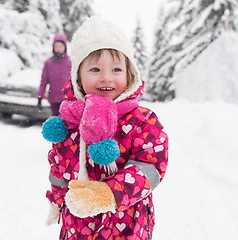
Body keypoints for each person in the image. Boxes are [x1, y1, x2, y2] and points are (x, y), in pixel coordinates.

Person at [41, 16, 169, 240]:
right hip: (78, 227)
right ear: (78, 78)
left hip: (128, 224)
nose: (106, 78)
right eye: (95, 69)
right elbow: (59, 169)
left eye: (117, 69)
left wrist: (108, 194)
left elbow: (150, 167)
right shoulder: (70, 124)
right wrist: (57, 199)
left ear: (130, 75)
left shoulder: (142, 120)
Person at [38, 33, 71, 116]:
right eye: (56, 46)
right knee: (56, 122)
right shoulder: (48, 63)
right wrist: (40, 96)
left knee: (68, 123)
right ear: (53, 47)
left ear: (65, 47)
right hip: (54, 99)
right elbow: (44, 81)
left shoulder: (70, 62)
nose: (58, 49)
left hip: (68, 99)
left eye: (61, 46)